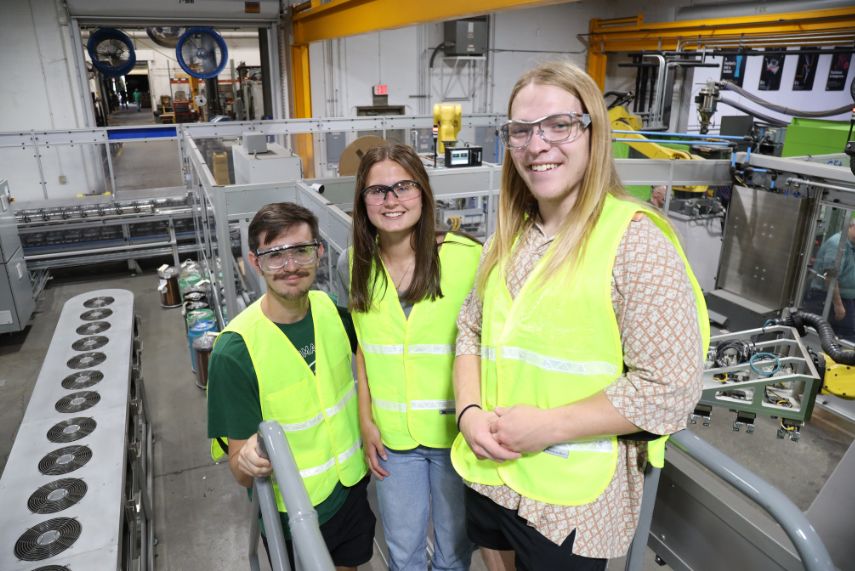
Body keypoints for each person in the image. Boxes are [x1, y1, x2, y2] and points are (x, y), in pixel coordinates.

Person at [450, 61, 710, 570]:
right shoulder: (509, 235)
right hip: (490, 472)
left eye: (559, 125)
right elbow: (471, 329)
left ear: (594, 130)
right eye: (521, 131)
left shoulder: (635, 241)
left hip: (569, 496)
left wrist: (546, 428)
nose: (536, 145)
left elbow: (670, 390)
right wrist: (468, 412)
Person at [207, 202, 376, 570]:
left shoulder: (330, 308)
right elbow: (238, 467)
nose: (290, 266)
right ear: (255, 262)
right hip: (293, 515)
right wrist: (248, 459)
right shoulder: (234, 351)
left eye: (301, 250)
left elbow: (370, 353)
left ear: (318, 253)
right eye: (274, 255)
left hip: (352, 489)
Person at [335, 143, 479, 570]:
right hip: (393, 440)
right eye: (377, 191)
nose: (391, 200)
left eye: (403, 186)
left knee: (455, 550)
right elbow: (363, 349)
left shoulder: (469, 258)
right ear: (362, 202)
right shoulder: (353, 265)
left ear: (424, 192)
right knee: (404, 550)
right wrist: (365, 421)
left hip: (456, 434)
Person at [804, 215, 855, 341]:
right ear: (851, 226)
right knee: (845, 337)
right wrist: (838, 305)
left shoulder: (850, 245)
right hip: (827, 299)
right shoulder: (838, 244)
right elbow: (830, 277)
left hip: (846, 299)